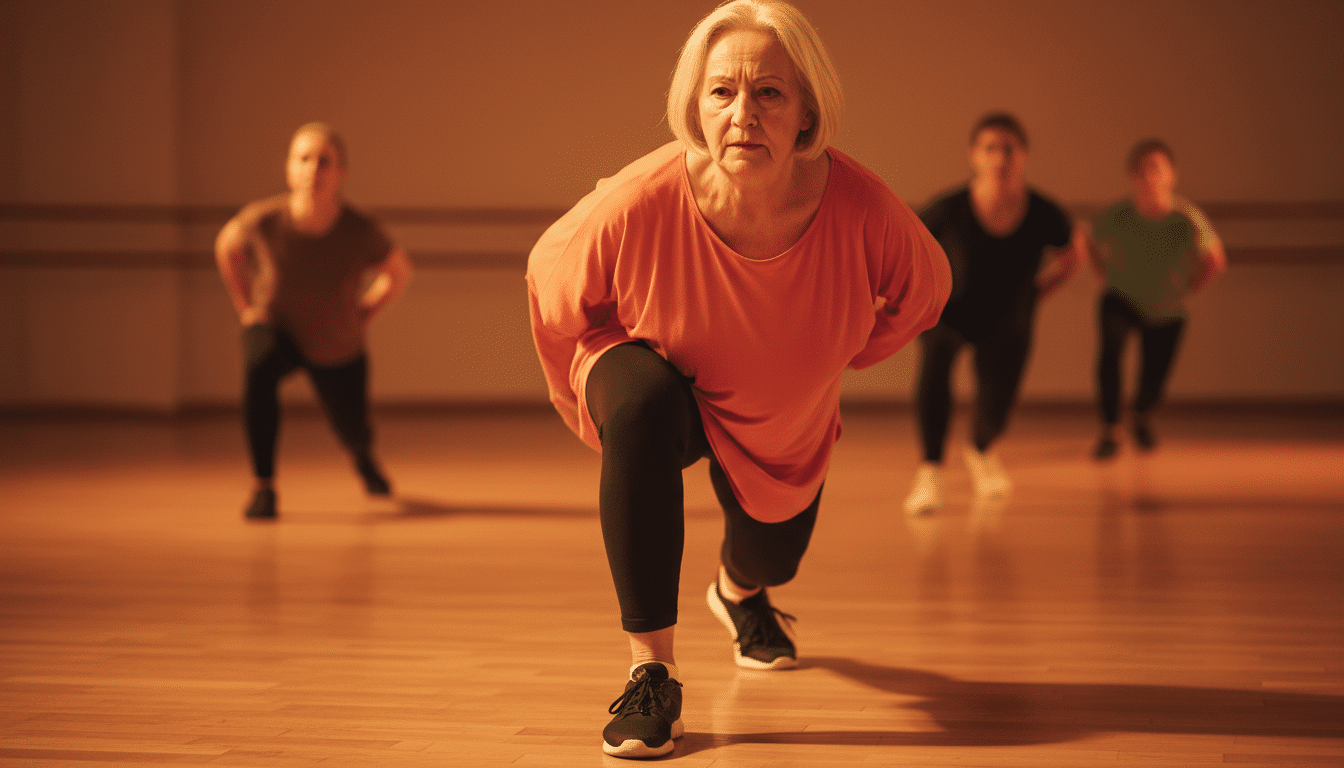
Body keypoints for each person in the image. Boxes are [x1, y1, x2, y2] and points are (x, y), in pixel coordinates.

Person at [526, 0, 951, 758]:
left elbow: (925, 293)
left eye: (769, 93)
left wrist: (844, 353)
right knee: (643, 405)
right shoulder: (640, 200)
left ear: (806, 112)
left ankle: (740, 594)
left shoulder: (862, 209)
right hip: (662, 376)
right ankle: (652, 671)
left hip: (779, 419)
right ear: (696, 104)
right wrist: (587, 398)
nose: (742, 114)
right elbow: (554, 290)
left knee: (773, 555)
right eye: (722, 91)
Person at [215, 122, 413, 520]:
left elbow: (398, 272)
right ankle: (263, 486)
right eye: (303, 159)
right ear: (289, 168)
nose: (312, 169)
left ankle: (362, 457)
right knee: (257, 364)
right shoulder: (265, 221)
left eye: (324, 162)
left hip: (335, 343)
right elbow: (227, 246)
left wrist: (364, 313)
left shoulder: (359, 230)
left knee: (352, 426)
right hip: (279, 332)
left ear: (340, 174)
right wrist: (246, 309)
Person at [902, 113, 1083, 515]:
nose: (1000, 158)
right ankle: (930, 471)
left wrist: (1037, 293)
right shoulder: (947, 208)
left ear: (1023, 157)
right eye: (990, 149)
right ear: (974, 156)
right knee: (934, 372)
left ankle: (982, 452)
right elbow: (907, 246)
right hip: (948, 314)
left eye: (1009, 149)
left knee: (997, 401)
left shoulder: (1043, 212)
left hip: (1008, 320)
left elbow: (1074, 253)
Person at [1089, 138, 1225, 458]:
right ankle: (1111, 428)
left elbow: (1216, 259)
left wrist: (1191, 289)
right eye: (1141, 169)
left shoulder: (1186, 219)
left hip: (1168, 307)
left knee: (1155, 370)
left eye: (1155, 169)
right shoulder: (1115, 215)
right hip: (1119, 299)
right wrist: (1103, 278)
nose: (1148, 176)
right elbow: (1090, 245)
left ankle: (1142, 417)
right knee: (1110, 354)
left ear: (1171, 176)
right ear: (1132, 176)